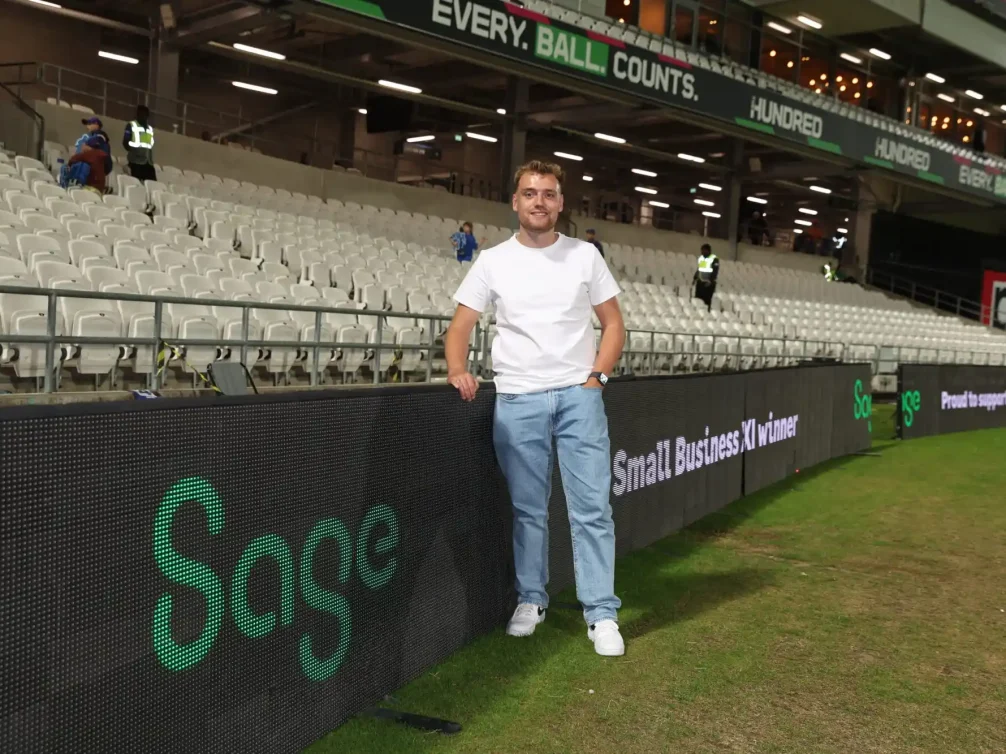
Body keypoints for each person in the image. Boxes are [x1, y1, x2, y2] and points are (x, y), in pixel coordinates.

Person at [445, 159, 627, 657]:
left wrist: (596, 378)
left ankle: (601, 613)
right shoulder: (493, 260)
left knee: (592, 509)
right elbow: (459, 326)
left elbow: (613, 323)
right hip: (518, 399)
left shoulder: (585, 255)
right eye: (530, 193)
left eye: (548, 194)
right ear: (515, 201)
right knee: (528, 510)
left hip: (577, 397)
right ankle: (531, 599)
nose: (539, 202)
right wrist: (458, 368)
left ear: (560, 203)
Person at [123, 105, 157, 182]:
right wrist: (134, 152)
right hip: (136, 162)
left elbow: (149, 144)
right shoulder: (131, 125)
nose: (144, 116)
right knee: (137, 183)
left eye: (145, 114)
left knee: (152, 184)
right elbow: (125, 142)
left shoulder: (150, 129)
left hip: (148, 162)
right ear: (137, 114)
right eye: (141, 114)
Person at [693, 243, 720, 311]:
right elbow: (699, 269)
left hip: (708, 284)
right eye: (701, 250)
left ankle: (706, 312)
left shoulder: (714, 259)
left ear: (708, 250)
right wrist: (695, 278)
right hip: (700, 282)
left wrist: (710, 281)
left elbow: (715, 271)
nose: (702, 252)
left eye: (703, 250)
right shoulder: (702, 259)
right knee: (698, 300)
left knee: (706, 301)